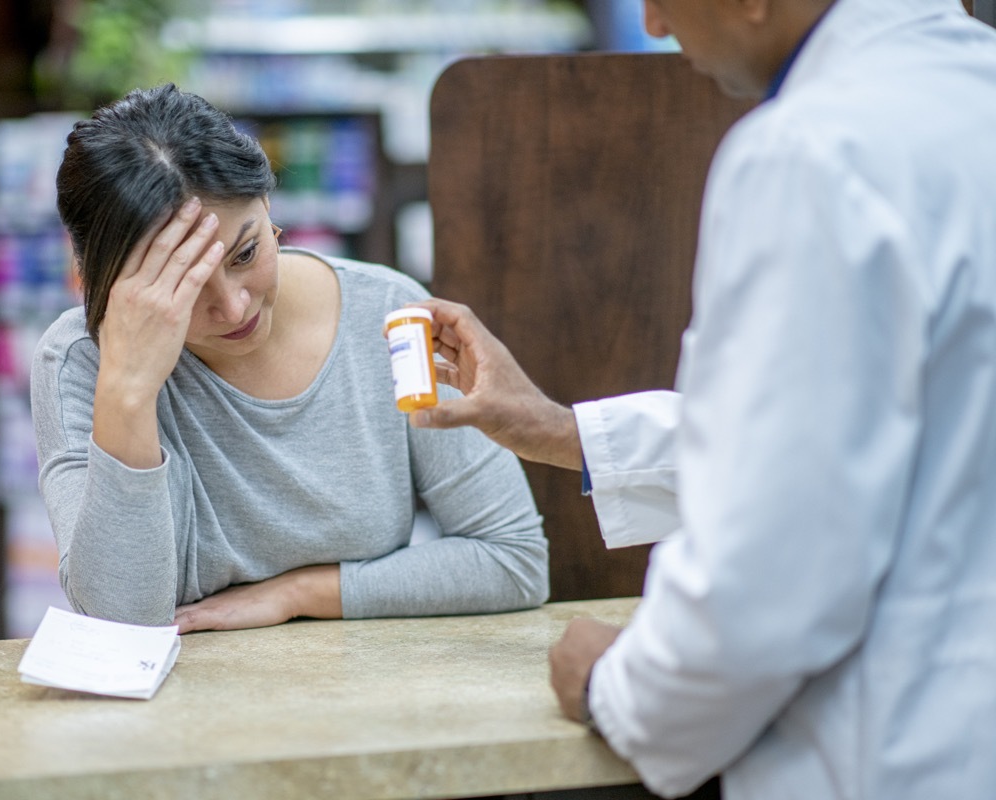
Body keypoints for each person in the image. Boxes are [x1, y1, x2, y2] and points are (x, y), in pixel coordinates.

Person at [408, 0, 996, 798]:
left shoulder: (811, 152)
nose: (651, 24)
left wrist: (617, 685)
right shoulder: (966, 96)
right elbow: (878, 424)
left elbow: (771, 568)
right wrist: (558, 429)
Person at [30, 84, 548, 634]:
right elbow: (118, 622)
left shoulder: (390, 313)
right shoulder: (81, 363)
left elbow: (513, 559)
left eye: (247, 253)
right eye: (183, 287)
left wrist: (298, 593)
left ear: (268, 206)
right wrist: (129, 391)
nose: (233, 307)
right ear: (99, 285)